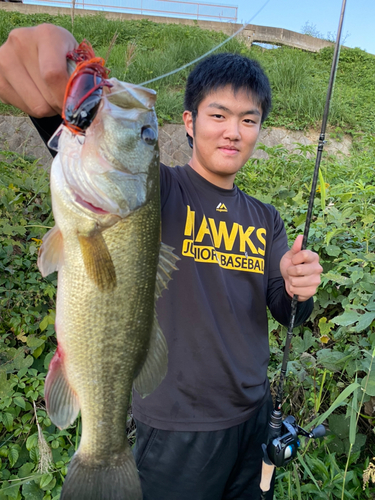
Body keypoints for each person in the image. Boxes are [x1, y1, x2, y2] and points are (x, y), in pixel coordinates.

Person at [0, 24, 323, 499]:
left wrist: (300, 288)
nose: (233, 131)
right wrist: (53, 76)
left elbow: (283, 307)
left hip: (253, 417)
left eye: (249, 120)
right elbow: (86, 143)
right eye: (219, 114)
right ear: (189, 123)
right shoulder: (156, 190)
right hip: (176, 425)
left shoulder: (266, 218)